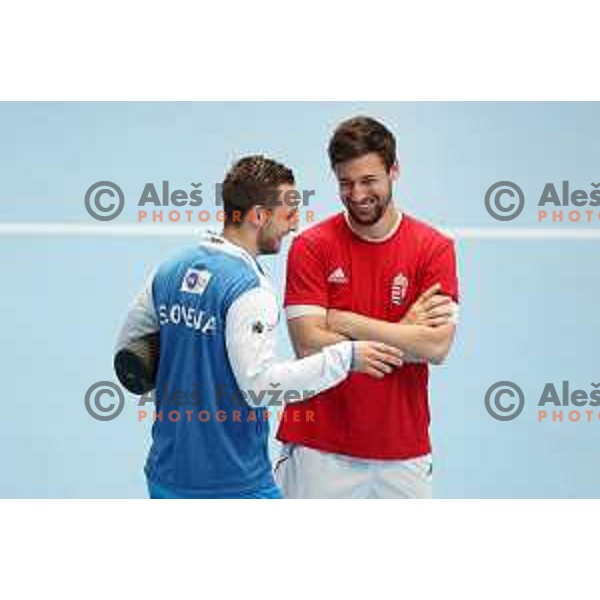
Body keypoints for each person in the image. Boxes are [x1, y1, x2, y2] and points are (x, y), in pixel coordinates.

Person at [115, 154, 404, 499]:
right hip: (234, 484)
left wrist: (190, 354)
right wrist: (346, 357)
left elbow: (128, 349)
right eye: (287, 215)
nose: (295, 225)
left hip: (166, 475)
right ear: (257, 217)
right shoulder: (249, 289)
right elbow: (261, 387)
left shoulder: (169, 269)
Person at [275, 117, 460, 499]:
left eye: (369, 181)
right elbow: (308, 345)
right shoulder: (311, 247)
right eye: (345, 183)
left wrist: (346, 321)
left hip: (402, 451)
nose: (357, 194)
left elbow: (436, 348)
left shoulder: (434, 248)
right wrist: (403, 330)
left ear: (394, 171)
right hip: (318, 448)